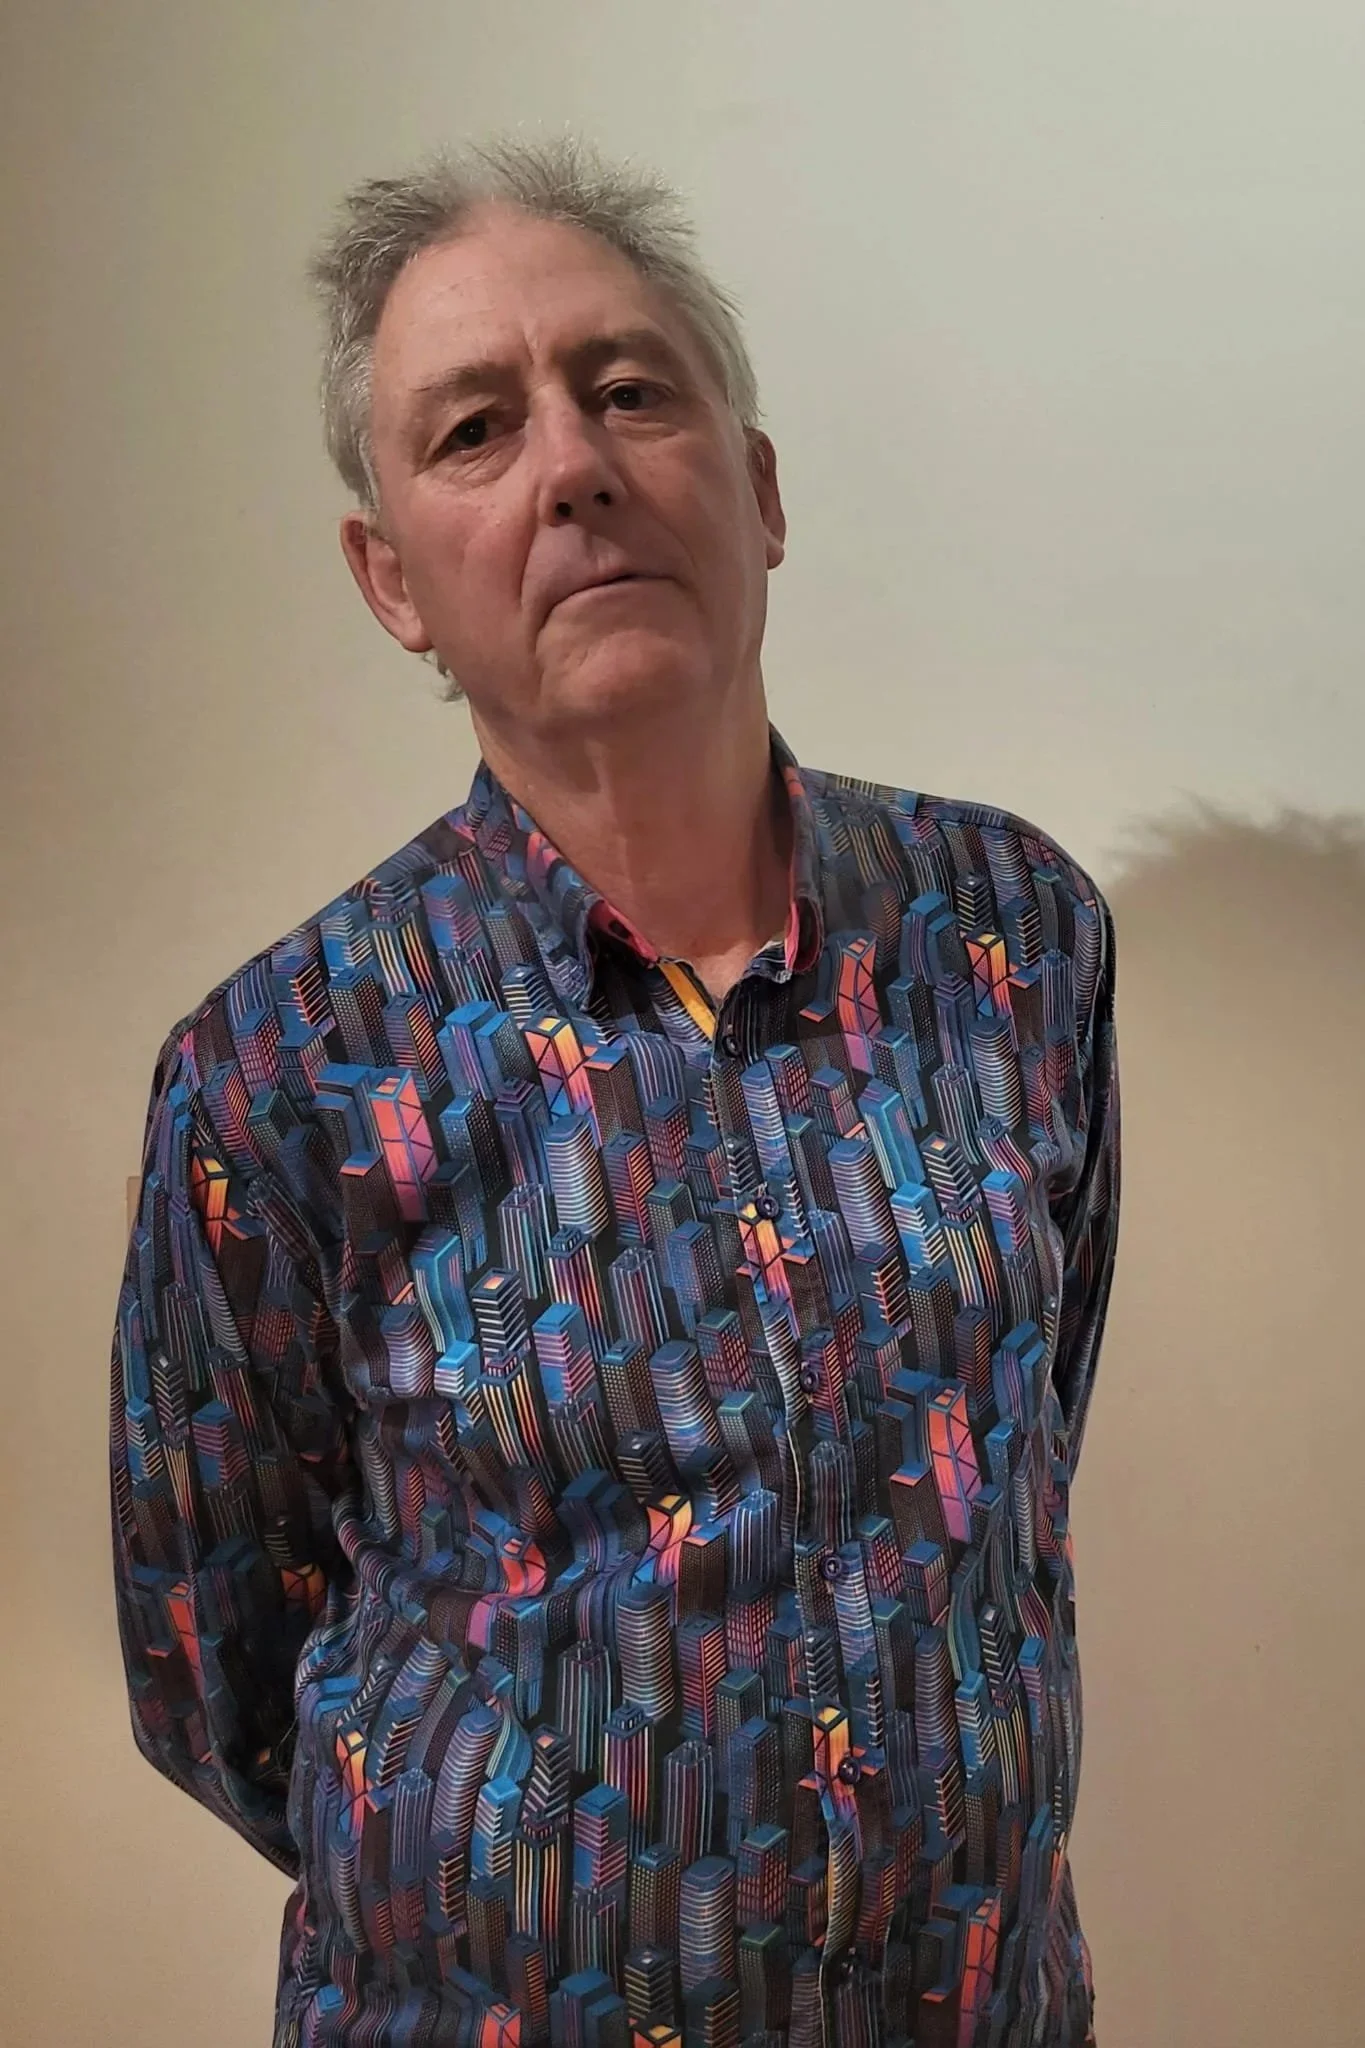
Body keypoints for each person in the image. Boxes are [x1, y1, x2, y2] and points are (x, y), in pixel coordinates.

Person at [110, 130, 1119, 2048]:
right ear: (392, 579)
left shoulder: (1020, 938)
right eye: (473, 431)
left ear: (755, 486)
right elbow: (216, 1677)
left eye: (629, 389)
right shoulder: (281, 1073)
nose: (571, 463)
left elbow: (1019, 1451)